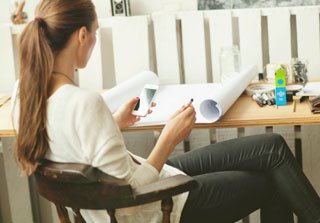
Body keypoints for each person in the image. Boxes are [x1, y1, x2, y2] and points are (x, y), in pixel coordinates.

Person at [12, 0, 320, 222]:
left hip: (130, 186)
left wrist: (113, 124)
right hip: (150, 207)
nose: (94, 40)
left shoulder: (24, 97)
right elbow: (130, 196)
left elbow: (72, 144)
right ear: (82, 36)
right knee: (272, 182)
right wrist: (168, 138)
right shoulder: (84, 103)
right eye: (95, 33)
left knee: (272, 147)